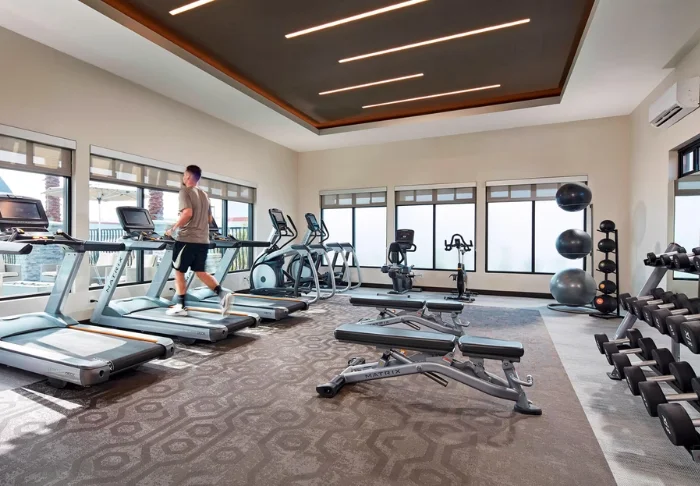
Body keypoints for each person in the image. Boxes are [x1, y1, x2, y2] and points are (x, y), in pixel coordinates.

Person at [165, 165, 232, 316]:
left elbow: (187, 213)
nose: (183, 178)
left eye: (184, 175)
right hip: (203, 240)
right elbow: (209, 219)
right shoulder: (204, 195)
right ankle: (223, 294)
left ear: (188, 177)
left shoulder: (185, 192)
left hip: (187, 239)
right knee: (200, 271)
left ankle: (181, 306)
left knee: (179, 271)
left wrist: (173, 229)